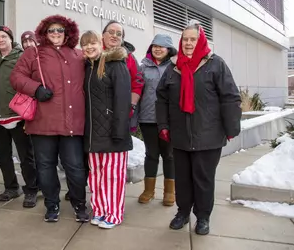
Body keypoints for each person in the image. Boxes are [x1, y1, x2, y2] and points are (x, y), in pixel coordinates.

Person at [156, 20, 242, 235]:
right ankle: (183, 212)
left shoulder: (215, 64)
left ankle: (203, 217)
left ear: (201, 40)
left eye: (193, 39)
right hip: (180, 135)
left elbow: (230, 97)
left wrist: (231, 128)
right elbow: (161, 99)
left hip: (208, 135)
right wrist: (164, 126)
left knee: (203, 180)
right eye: (185, 39)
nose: (188, 43)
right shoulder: (173, 67)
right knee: (183, 179)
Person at [10, 15, 88, 223]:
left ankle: (79, 203)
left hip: (73, 123)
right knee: (45, 166)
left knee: (75, 167)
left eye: (60, 30)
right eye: (51, 30)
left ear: (68, 33)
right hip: (43, 122)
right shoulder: (33, 53)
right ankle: (51, 204)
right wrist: (35, 89)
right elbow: (16, 77)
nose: (55, 34)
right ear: (44, 33)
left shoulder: (79, 55)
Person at [82, 30, 131, 229]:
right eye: (85, 44)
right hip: (94, 135)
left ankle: (114, 213)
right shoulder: (89, 67)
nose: (89, 47)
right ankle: (100, 210)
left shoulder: (116, 66)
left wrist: (119, 132)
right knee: (96, 175)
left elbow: (122, 100)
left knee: (113, 176)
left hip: (113, 134)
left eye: (92, 43)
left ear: (101, 43)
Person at [0, 26, 38, 208]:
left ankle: (32, 189)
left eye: (4, 36)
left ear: (11, 39)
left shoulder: (21, 57)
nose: (1, 40)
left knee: (26, 157)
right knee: (3, 157)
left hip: (18, 115)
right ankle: (11, 187)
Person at [137, 34, 177, 206]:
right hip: (147, 119)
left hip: (169, 120)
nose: (158, 49)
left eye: (162, 46)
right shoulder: (143, 67)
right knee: (151, 155)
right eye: (155, 46)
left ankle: (169, 191)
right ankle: (148, 190)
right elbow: (137, 90)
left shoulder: (175, 67)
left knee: (169, 155)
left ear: (168, 49)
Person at [101, 21, 144, 128]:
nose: (114, 36)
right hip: (96, 113)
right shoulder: (94, 53)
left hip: (121, 114)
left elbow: (137, 82)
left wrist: (131, 105)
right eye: (111, 32)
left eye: (119, 34)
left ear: (122, 39)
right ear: (103, 35)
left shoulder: (129, 58)